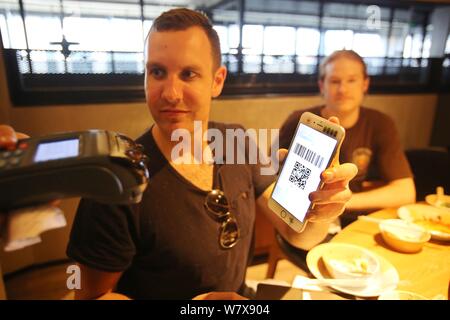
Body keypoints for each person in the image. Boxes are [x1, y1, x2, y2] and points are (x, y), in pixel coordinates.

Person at [1, 9, 357, 300]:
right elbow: (81, 291)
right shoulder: (119, 178)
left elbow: (297, 236)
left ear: (217, 81)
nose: (170, 93)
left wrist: (322, 212)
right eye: (157, 72)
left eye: (188, 74)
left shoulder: (237, 140)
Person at [279, 50, 415, 226]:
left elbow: (405, 191)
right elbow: (270, 176)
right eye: (335, 81)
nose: (343, 89)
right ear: (322, 86)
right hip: (305, 216)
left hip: (354, 220)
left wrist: (338, 202)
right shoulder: (300, 121)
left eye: (351, 80)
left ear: (365, 84)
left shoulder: (380, 123)